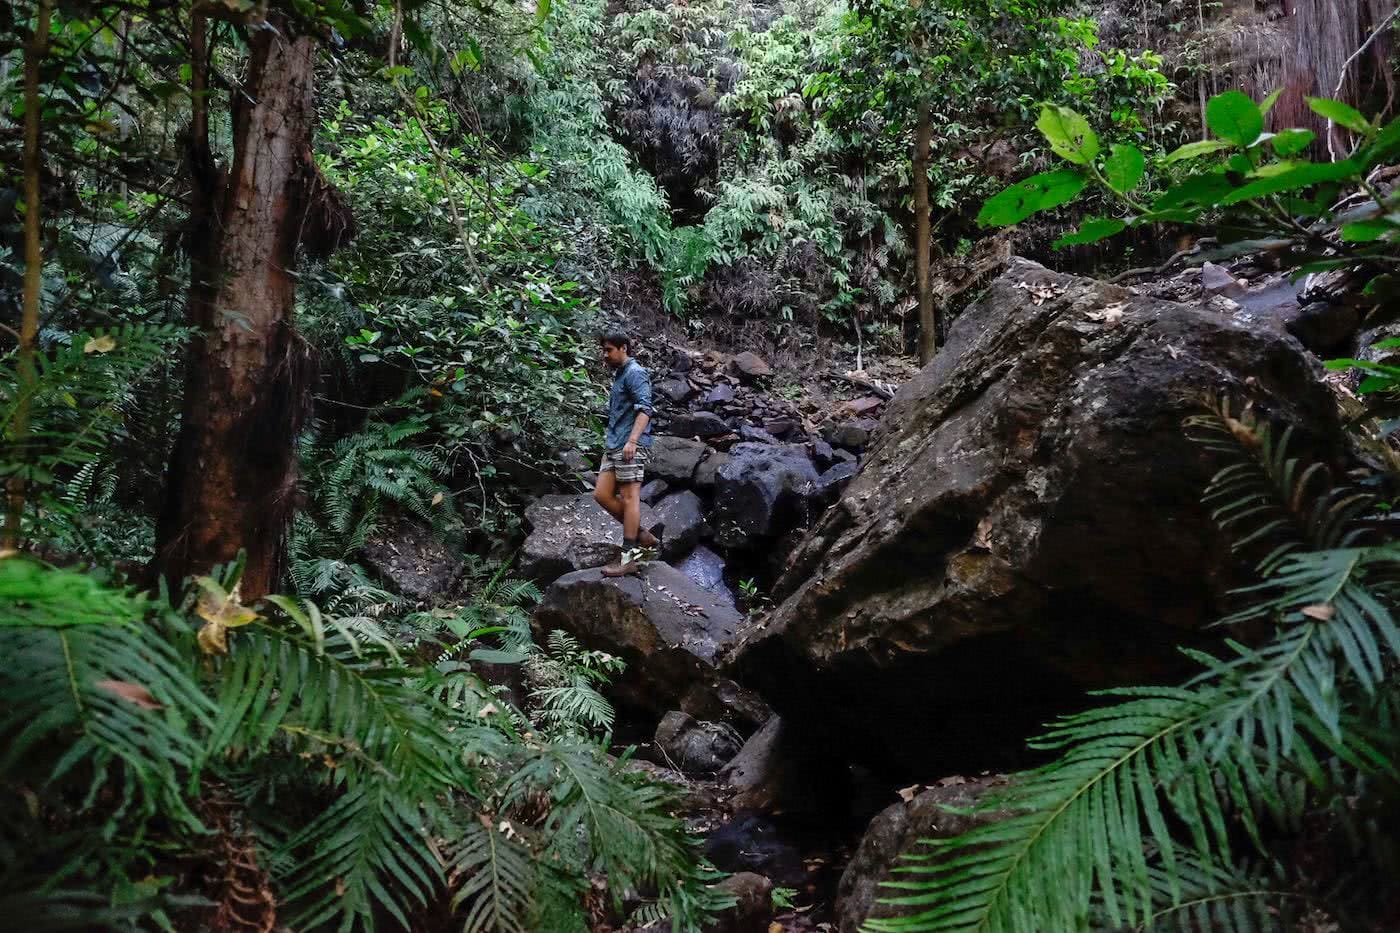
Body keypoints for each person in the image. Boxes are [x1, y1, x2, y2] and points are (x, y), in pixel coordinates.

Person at [593, 331, 661, 576]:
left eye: (609, 350)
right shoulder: (621, 374)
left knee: (630, 498)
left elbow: (645, 409)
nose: (605, 355)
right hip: (614, 444)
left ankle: (628, 558)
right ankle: (642, 535)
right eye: (604, 350)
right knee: (601, 494)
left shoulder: (635, 373)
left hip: (629, 445)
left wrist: (632, 441)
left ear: (623, 348)